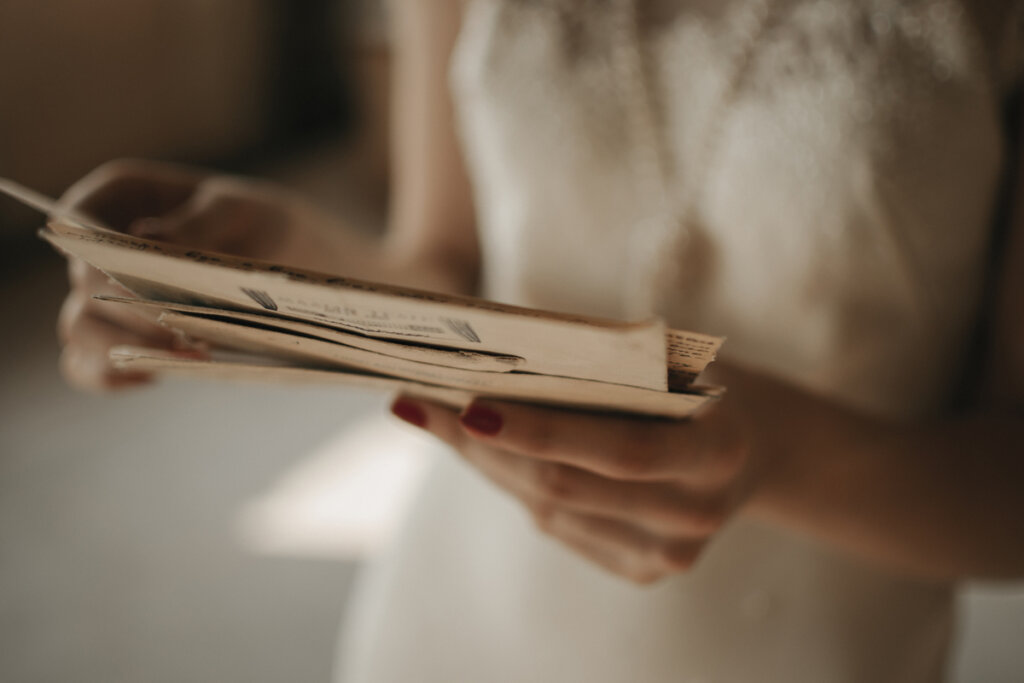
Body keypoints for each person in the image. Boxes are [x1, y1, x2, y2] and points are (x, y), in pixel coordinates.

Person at [56, 1, 1024, 681]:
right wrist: (286, 261)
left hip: (808, 650)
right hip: (453, 621)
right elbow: (440, 261)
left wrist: (772, 453)